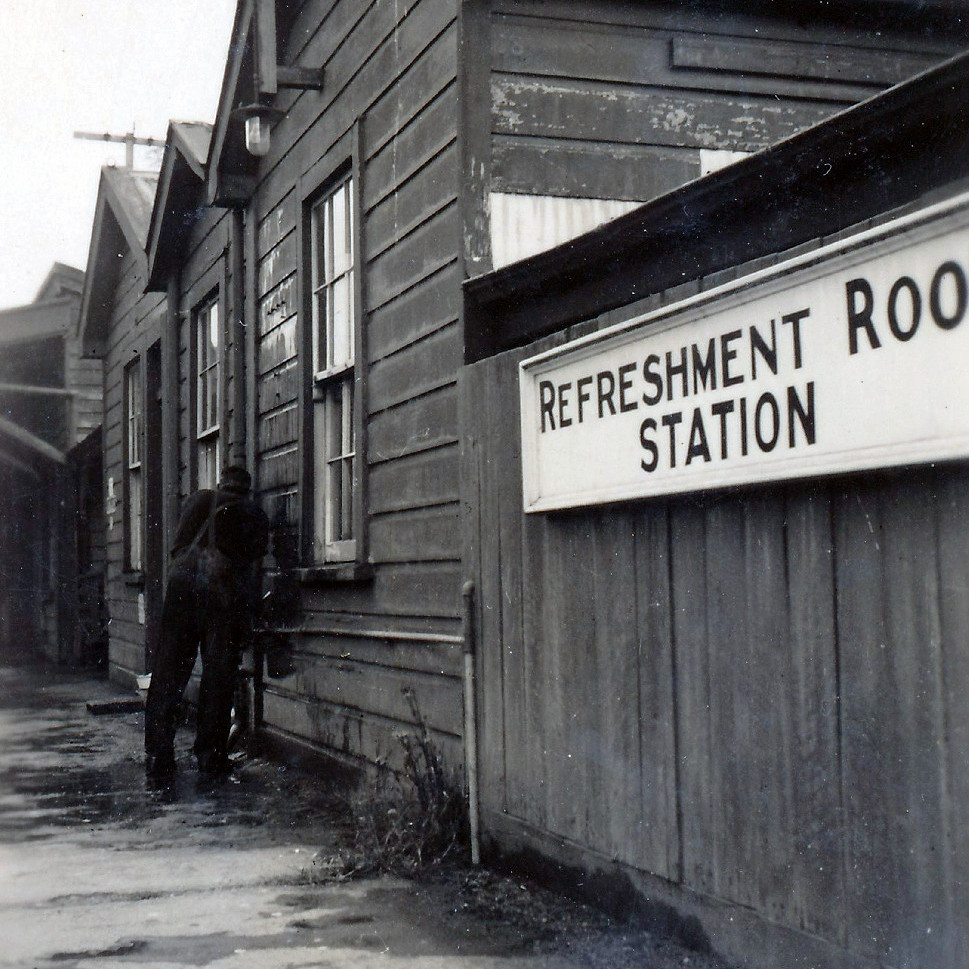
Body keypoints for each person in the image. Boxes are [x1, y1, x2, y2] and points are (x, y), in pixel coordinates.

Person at [145, 465, 269, 779]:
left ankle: (159, 754)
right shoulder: (253, 513)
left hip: (182, 587)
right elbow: (251, 567)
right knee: (218, 676)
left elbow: (177, 547)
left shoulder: (199, 500)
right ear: (246, 489)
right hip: (220, 597)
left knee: (168, 672)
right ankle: (209, 756)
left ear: (220, 483)